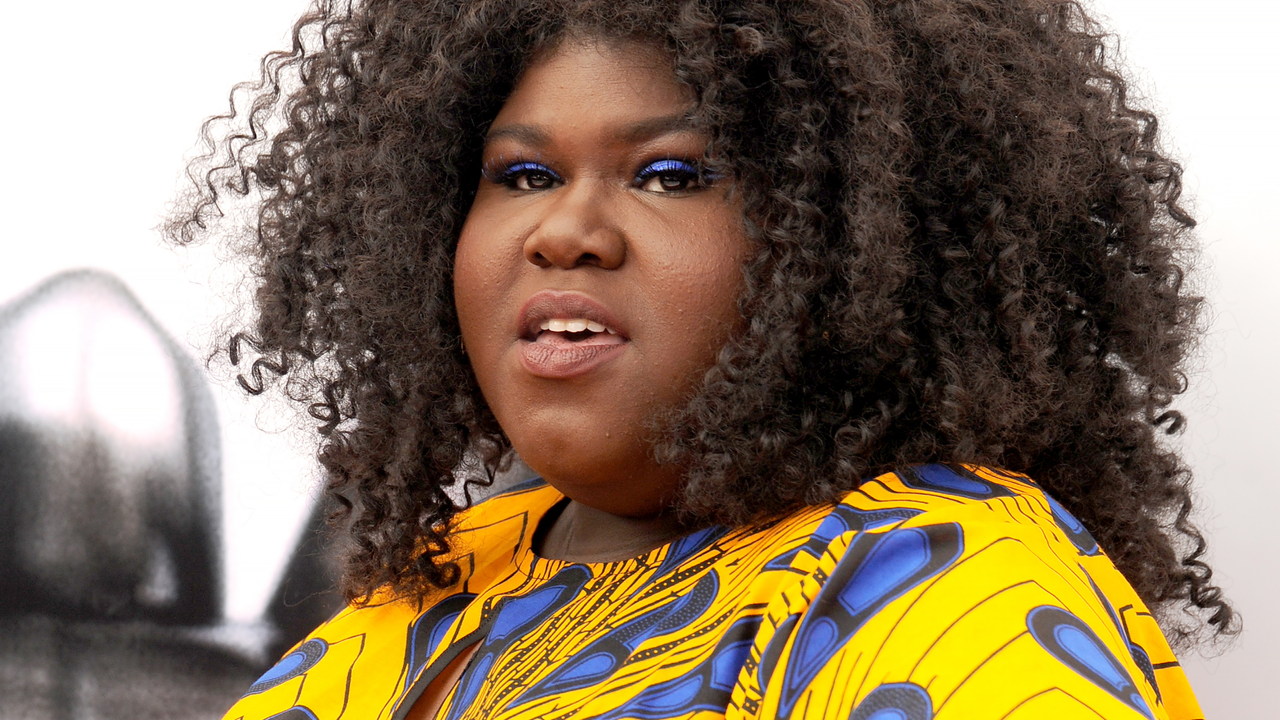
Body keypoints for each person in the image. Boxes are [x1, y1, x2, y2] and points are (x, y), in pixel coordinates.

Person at [169, 1, 1236, 718]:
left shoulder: (950, 581)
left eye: (672, 174)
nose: (565, 230)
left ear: (857, 239)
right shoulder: (435, 590)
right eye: (524, 173)